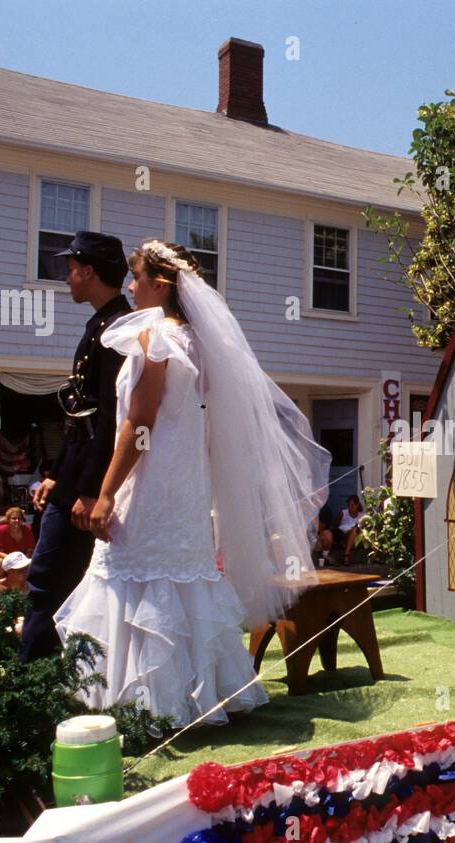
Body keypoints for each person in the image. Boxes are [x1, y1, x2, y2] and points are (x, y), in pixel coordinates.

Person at [54, 240, 331, 726]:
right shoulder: (201, 345)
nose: (130, 286)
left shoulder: (157, 338)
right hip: (185, 486)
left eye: (136, 278)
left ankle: (141, 702)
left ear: (160, 285)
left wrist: (107, 492)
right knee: (180, 581)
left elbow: (139, 425)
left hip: (152, 484)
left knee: (131, 578)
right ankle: (196, 695)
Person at [19, 231, 131, 662]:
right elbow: (77, 417)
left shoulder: (116, 330)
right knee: (60, 582)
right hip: (74, 476)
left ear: (88, 271)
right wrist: (53, 473)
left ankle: (33, 682)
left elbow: (109, 421)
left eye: (70, 269)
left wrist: (87, 490)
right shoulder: (101, 324)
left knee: (49, 580)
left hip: (89, 485)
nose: (66, 277)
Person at [334, 496, 365, 564]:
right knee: (354, 530)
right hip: (344, 536)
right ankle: (346, 555)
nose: (350, 507)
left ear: (357, 505)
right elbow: (335, 525)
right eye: (349, 505)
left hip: (356, 538)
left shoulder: (362, 516)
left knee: (356, 530)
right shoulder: (343, 513)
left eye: (352, 505)